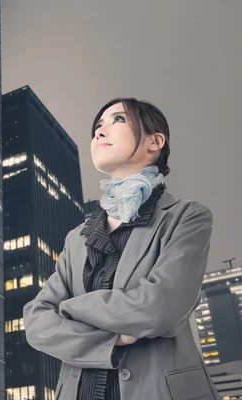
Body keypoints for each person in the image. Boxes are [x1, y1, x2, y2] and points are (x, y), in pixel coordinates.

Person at [23, 98, 220, 399]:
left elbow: (159, 309)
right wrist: (112, 339)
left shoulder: (187, 217)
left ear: (155, 141)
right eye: (97, 126)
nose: (100, 132)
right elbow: (36, 322)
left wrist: (69, 308)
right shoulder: (77, 237)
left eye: (117, 120)